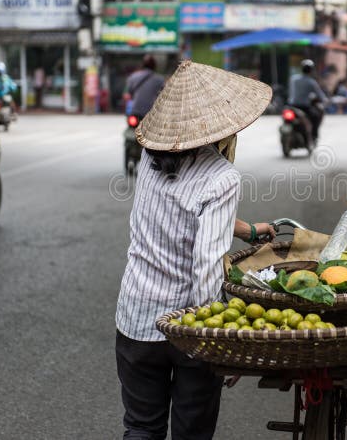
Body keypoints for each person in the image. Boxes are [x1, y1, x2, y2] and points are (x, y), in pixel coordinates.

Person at [114, 60, 276, 439]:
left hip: (136, 319)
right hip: (189, 330)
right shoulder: (222, 177)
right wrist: (220, 344)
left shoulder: (150, 158)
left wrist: (246, 229)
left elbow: (173, 213)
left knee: (140, 428)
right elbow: (207, 270)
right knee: (191, 433)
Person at [288, 59, 328, 141]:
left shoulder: (293, 79)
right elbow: (321, 96)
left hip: (291, 106)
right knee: (315, 117)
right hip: (304, 107)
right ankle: (314, 135)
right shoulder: (311, 82)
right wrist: (325, 100)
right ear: (311, 70)